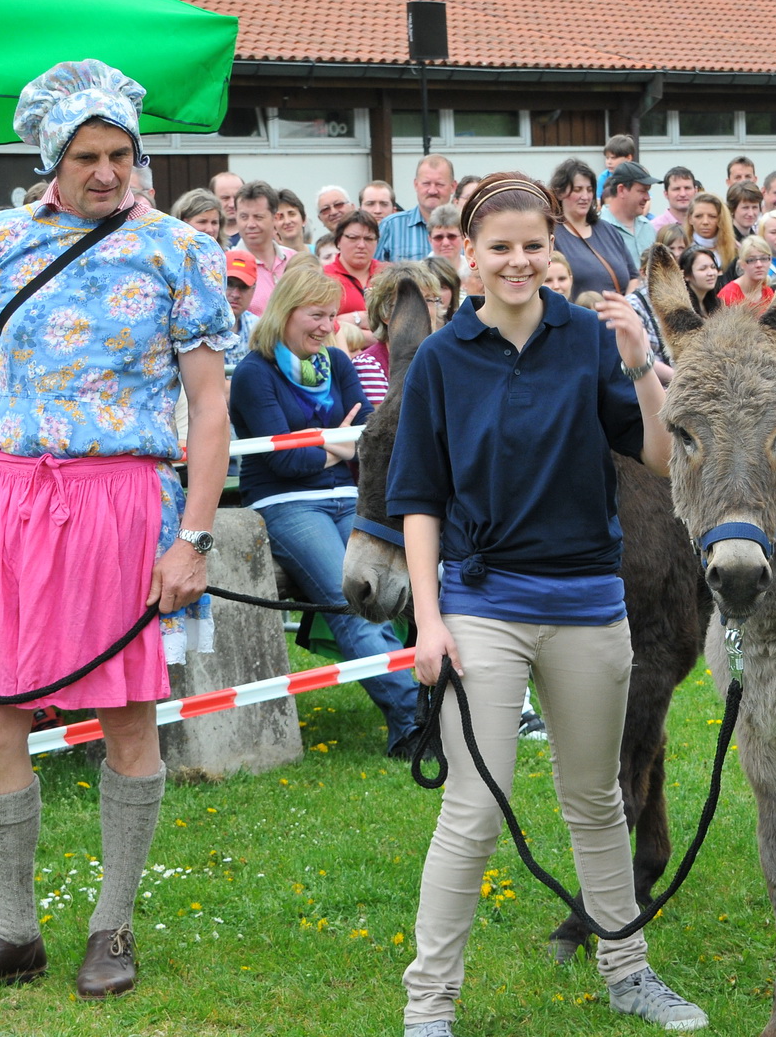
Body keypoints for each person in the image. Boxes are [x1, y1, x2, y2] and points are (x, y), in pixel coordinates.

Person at [0, 60, 232, 998]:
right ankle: (13, 929)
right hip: (7, 498)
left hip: (122, 501)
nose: (105, 171)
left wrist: (195, 537)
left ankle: (113, 927)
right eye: (85, 155)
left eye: (119, 154)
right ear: (51, 156)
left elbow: (208, 409)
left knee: (125, 715)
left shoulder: (179, 249)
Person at [385, 172, 704, 1037]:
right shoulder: (442, 361)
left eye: (533, 246)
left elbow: (661, 456)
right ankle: (429, 1006)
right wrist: (426, 617)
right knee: (472, 809)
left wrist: (640, 361)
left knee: (596, 799)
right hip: (482, 602)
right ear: (467, 257)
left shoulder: (589, 342)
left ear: (552, 251)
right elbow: (417, 496)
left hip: (589, 603)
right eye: (500, 248)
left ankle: (628, 971)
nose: (519, 260)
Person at [229, 264, 419, 755]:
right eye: (316, 314)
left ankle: (422, 709)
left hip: (345, 499)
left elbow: (369, 435)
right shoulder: (255, 372)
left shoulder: (337, 362)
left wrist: (332, 446)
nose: (328, 326)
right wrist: (339, 444)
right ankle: (413, 722)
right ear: (285, 313)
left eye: (333, 316)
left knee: (381, 595)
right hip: (286, 503)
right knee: (351, 606)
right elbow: (288, 462)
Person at [353, 260, 444, 408]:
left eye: (428, 300)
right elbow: (387, 422)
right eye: (409, 302)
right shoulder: (369, 365)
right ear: (386, 314)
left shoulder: (442, 358)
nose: (423, 310)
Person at [551, 159, 636, 297]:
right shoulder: (552, 236)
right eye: (578, 190)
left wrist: (627, 305)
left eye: (589, 190)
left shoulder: (608, 230)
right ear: (560, 193)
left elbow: (634, 276)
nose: (585, 196)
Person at [377, 156, 457, 262]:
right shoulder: (391, 226)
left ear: (453, 187)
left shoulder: (467, 230)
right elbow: (372, 273)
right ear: (416, 185)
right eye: (426, 184)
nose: (432, 191)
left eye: (439, 184)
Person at [237, 181, 297, 315]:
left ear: (275, 218)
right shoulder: (226, 266)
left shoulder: (294, 260)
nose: (250, 224)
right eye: (244, 217)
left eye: (258, 217)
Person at [322, 209, 383, 332]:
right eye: (353, 238)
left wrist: (349, 320)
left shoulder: (388, 274)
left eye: (369, 238)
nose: (361, 245)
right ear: (338, 241)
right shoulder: (323, 278)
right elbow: (321, 324)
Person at [599, 162, 658, 265]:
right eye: (642, 191)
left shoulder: (648, 227)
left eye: (648, 191)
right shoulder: (597, 229)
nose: (647, 197)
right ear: (621, 190)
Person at [685, 191, 737, 272]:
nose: (705, 222)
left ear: (720, 219)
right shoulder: (682, 249)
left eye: (712, 216)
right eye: (698, 216)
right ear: (690, 219)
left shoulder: (735, 250)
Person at [717, 236, 772, 310]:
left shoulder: (768, 292)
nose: (759, 265)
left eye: (764, 258)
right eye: (752, 260)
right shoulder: (728, 294)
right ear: (742, 264)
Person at [209, 170, 244, 246]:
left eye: (236, 197)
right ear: (212, 198)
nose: (232, 204)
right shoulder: (205, 235)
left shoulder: (256, 234)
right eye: (225, 198)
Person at [426, 203, 464, 272]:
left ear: (463, 237)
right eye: (439, 237)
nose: (446, 243)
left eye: (452, 236)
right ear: (430, 240)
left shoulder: (474, 272)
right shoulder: (421, 274)